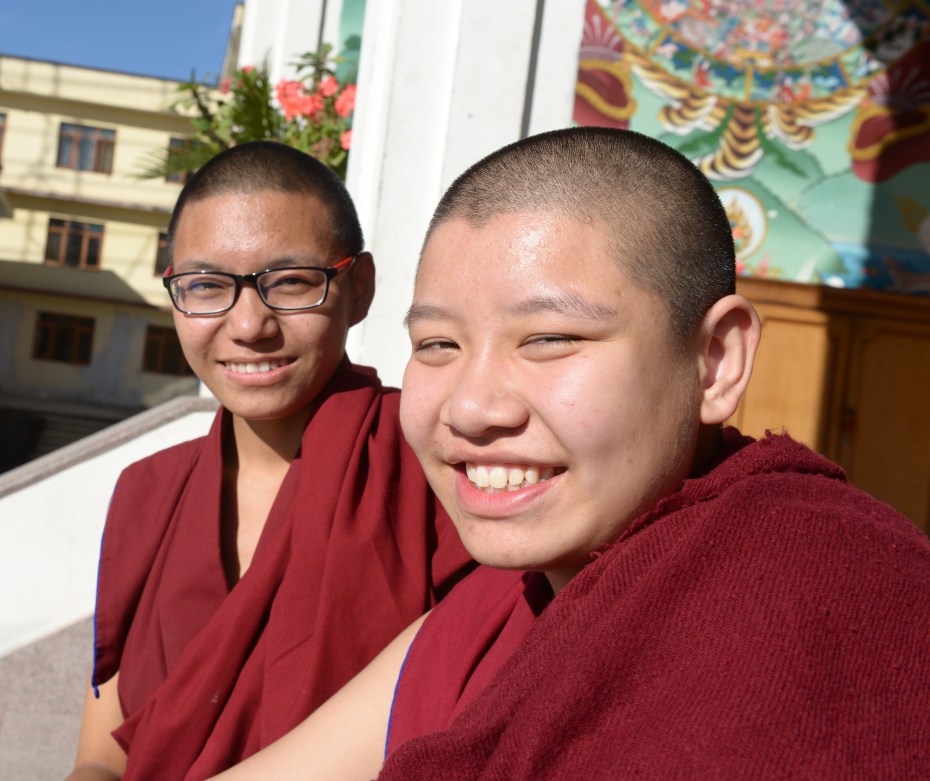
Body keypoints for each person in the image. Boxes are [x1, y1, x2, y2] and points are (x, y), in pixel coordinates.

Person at [208, 127, 930, 781]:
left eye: (549, 338)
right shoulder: (507, 598)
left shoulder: (824, 594)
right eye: (436, 345)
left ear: (715, 361)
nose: (470, 407)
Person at [67, 141, 473, 781]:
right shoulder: (150, 491)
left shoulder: (441, 465)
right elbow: (102, 757)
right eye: (205, 286)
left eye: (289, 282)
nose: (249, 324)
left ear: (359, 288)